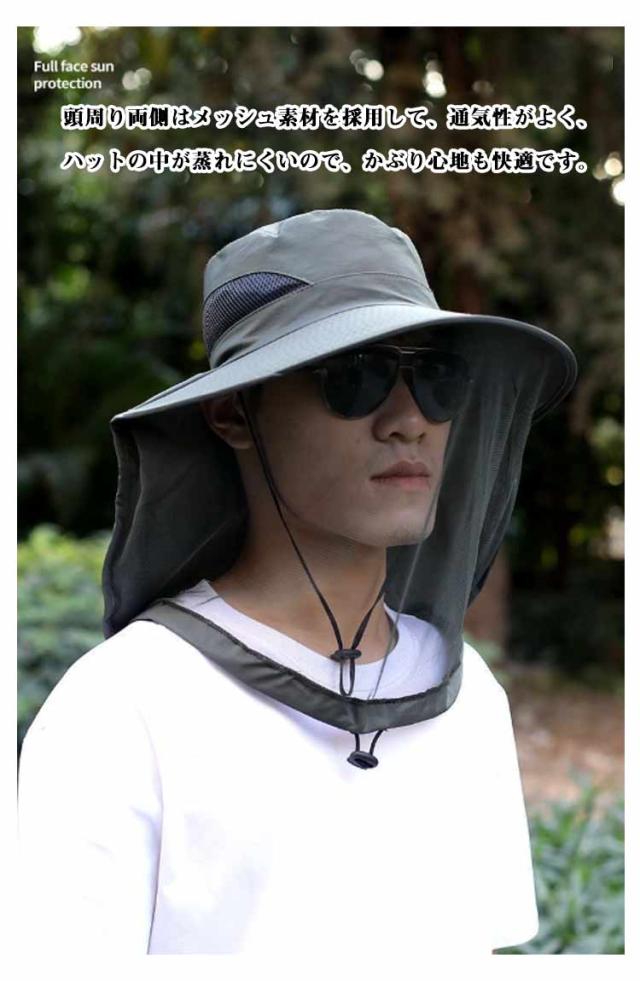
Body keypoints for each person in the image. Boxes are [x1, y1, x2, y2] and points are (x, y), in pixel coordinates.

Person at [17, 208, 578, 956]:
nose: (409, 420)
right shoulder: (123, 707)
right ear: (233, 413)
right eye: (355, 375)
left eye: (435, 376)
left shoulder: (468, 691)